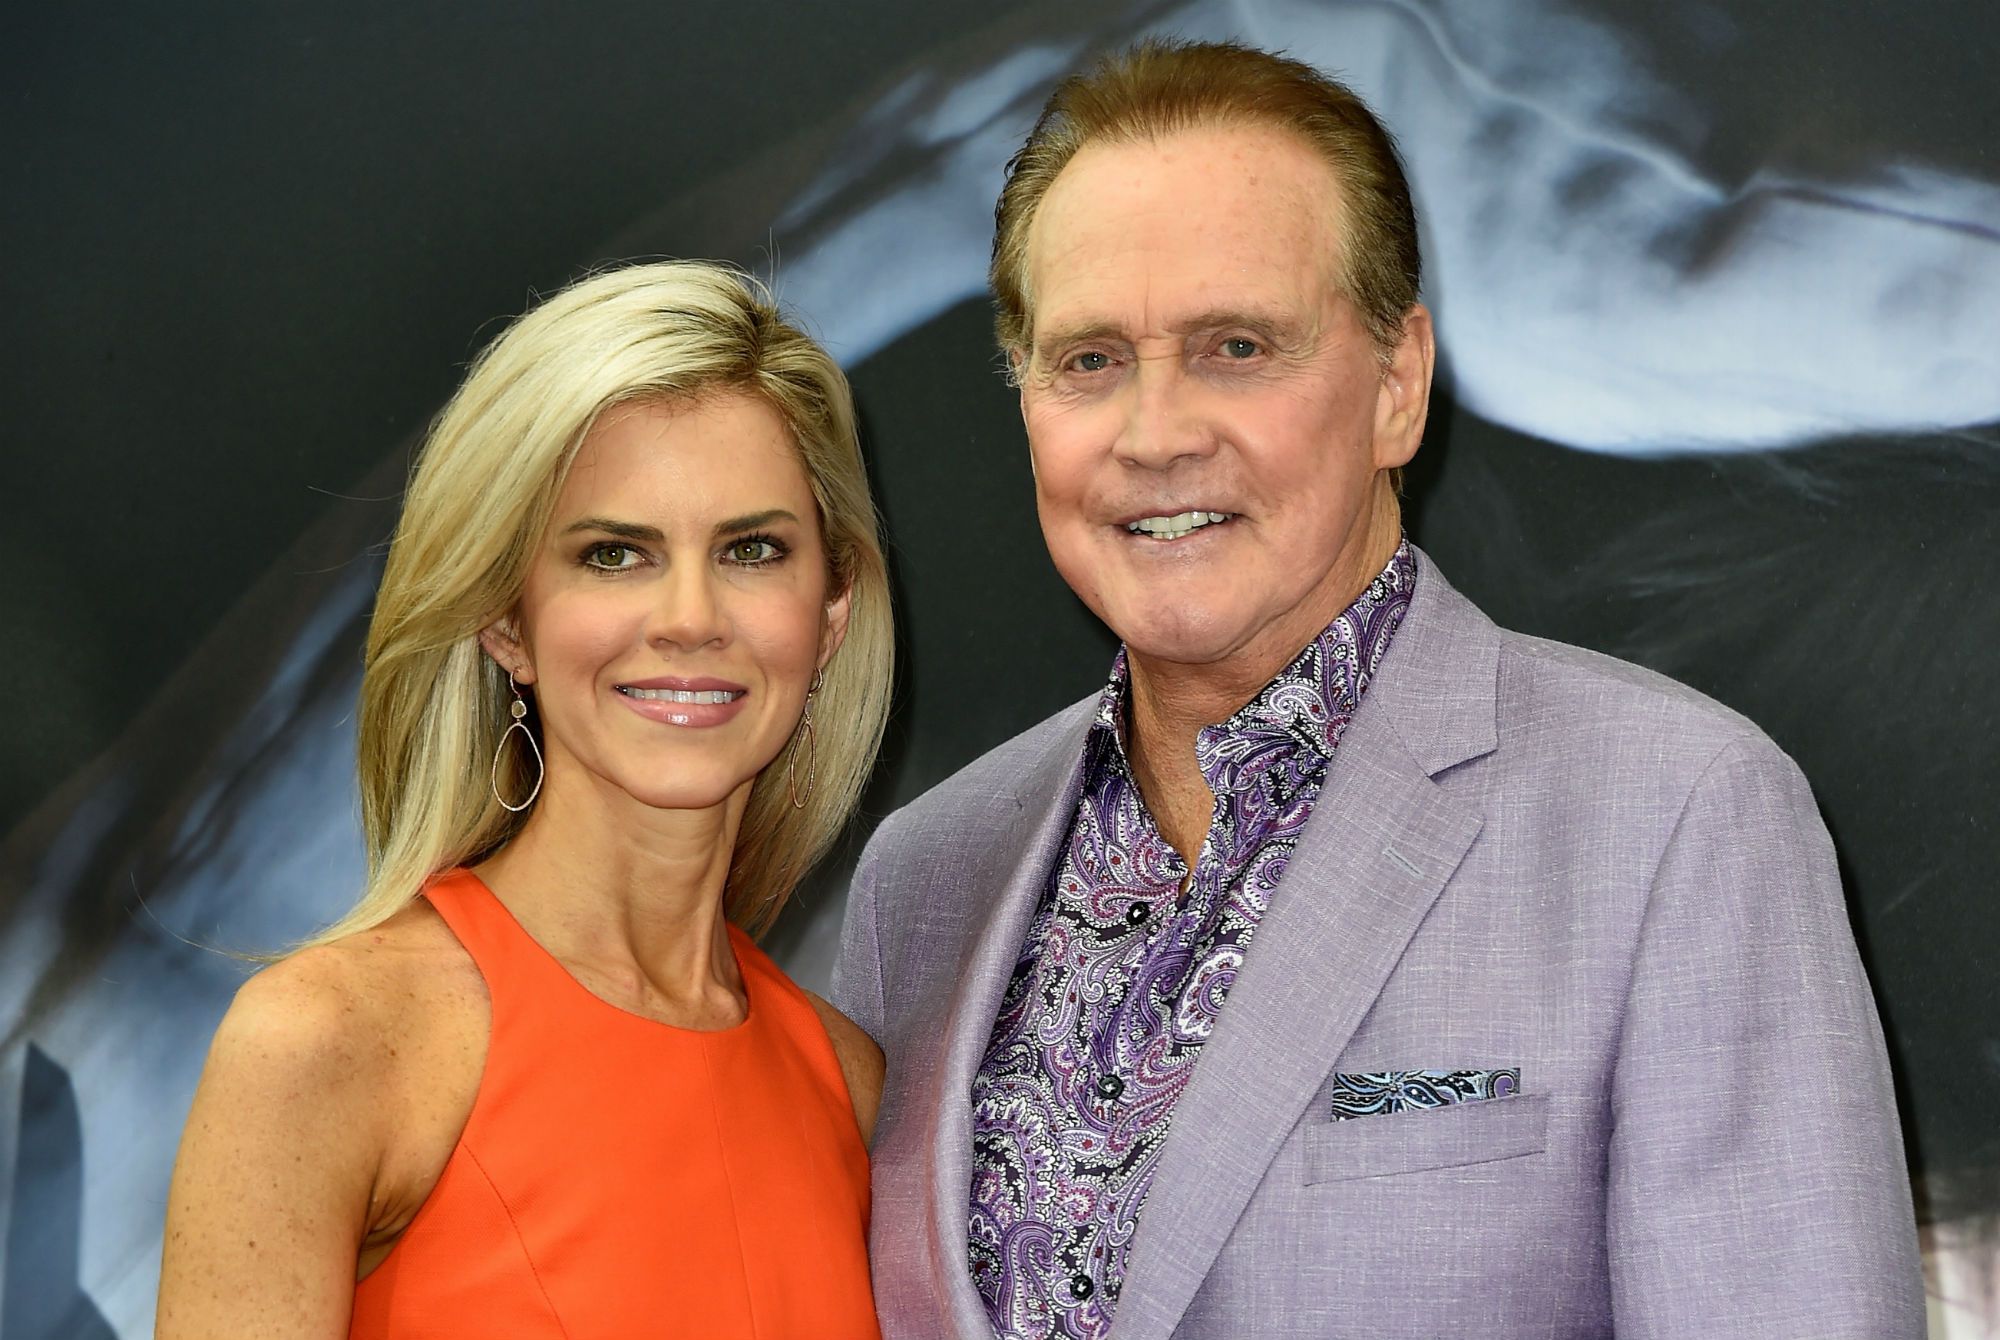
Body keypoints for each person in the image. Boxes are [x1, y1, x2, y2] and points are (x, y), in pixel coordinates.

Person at [833, 38, 1925, 1340]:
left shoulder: (1680, 816)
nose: (1156, 432)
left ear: (1398, 385)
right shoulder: (924, 880)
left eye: (1237, 345)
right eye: (1088, 362)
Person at [156, 261, 892, 1338]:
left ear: (826, 616)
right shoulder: (335, 1040)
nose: (689, 617)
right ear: (507, 621)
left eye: (750, 549)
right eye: (613, 553)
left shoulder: (848, 1082)